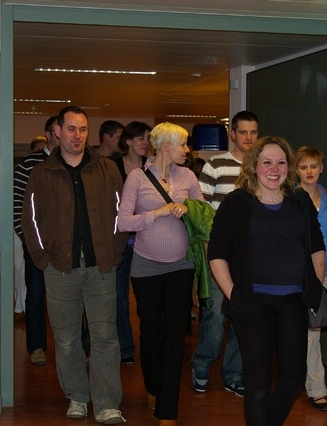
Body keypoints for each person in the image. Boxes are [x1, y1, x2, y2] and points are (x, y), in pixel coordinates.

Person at [207, 136, 325, 426]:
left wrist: (315, 289)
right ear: (254, 165)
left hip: (294, 301)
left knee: (294, 378)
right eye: (267, 162)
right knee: (258, 380)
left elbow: (317, 248)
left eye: (281, 162)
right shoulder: (236, 202)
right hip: (252, 301)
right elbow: (217, 254)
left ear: (289, 167)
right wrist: (234, 295)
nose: (274, 169)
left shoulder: (300, 201)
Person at [21, 106, 128, 424]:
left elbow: (121, 214)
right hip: (59, 270)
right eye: (71, 129)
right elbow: (30, 220)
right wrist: (44, 260)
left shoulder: (106, 169)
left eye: (82, 129)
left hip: (101, 269)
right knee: (67, 340)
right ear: (57, 131)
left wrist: (114, 254)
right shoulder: (42, 173)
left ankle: (107, 403)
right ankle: (78, 397)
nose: (77, 135)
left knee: (105, 337)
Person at [117, 122, 203, 426]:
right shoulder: (137, 178)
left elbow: (203, 214)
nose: (187, 150)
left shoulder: (189, 176)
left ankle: (168, 407)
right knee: (151, 331)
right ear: (166, 145)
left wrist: (189, 209)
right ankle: (153, 386)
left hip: (181, 265)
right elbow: (123, 221)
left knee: (176, 333)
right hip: (146, 267)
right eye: (183, 144)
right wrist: (159, 212)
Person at [190, 110, 259, 399]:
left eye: (253, 132)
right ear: (232, 134)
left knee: (245, 318)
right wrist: (210, 250)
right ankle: (201, 365)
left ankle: (234, 373)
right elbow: (201, 212)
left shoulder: (262, 167)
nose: (248, 137)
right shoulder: (215, 165)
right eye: (243, 132)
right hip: (220, 255)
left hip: (252, 259)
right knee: (216, 320)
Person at [295, 146, 327, 412]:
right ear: (296, 170)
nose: (309, 171)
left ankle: (306, 381)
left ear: (321, 168)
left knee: (312, 330)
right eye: (303, 167)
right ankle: (316, 389)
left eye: (313, 166)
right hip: (301, 275)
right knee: (310, 332)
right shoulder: (290, 196)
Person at [13, 115, 59, 365]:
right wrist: (29, 240)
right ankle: (37, 346)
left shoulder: (76, 162)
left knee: (73, 297)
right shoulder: (29, 164)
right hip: (37, 244)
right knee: (36, 295)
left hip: (68, 245)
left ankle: (76, 346)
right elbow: (17, 207)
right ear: (50, 133)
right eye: (61, 130)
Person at [113, 121, 152, 365]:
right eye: (140, 138)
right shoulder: (112, 167)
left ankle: (150, 344)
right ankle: (125, 347)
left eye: (148, 138)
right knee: (119, 294)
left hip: (147, 239)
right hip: (120, 239)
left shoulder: (153, 168)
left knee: (146, 295)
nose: (145, 143)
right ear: (128, 141)